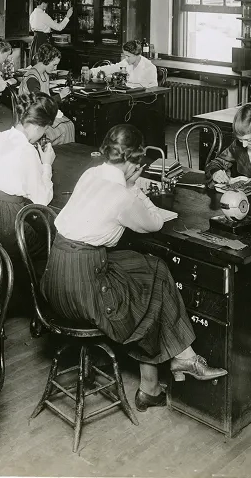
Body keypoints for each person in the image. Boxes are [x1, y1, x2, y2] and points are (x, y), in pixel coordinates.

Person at [43, 124, 227, 412]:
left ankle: (169, 371)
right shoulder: (123, 194)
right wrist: (136, 190)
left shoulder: (91, 174)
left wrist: (129, 185)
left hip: (56, 277)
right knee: (152, 279)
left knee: (150, 269)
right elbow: (153, 223)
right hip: (84, 286)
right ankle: (170, 370)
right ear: (132, 162)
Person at [0, 92, 59, 314]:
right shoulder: (27, 151)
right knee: (51, 240)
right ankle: (40, 302)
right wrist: (46, 164)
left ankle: (8, 288)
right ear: (39, 126)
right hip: (7, 221)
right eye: (45, 129)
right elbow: (41, 199)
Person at [19, 43, 75, 145]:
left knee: (68, 124)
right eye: (54, 64)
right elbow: (40, 103)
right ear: (46, 61)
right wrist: (60, 96)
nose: (55, 68)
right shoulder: (32, 78)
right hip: (33, 118)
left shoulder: (44, 74)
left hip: (41, 112)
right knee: (67, 125)